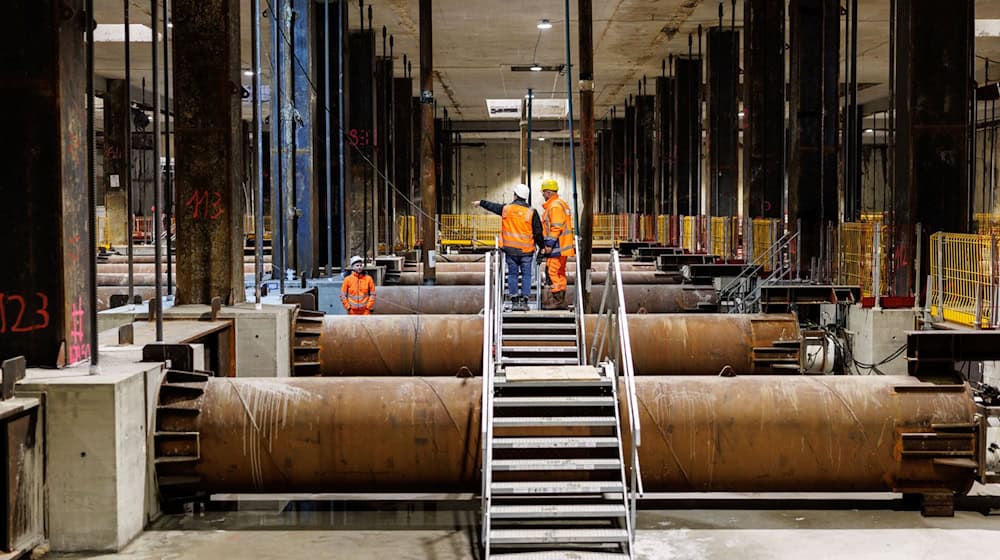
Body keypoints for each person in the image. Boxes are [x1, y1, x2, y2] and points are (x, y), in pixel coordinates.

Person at [471, 184, 543, 311]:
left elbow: (493, 206)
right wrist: (542, 247)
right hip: (526, 251)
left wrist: (480, 202)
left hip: (510, 250)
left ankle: (514, 300)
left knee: (512, 274)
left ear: (515, 195)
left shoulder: (506, 209)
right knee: (526, 275)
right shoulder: (532, 212)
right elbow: (538, 232)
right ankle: (524, 301)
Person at [540, 178, 575, 309]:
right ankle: (560, 300)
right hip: (562, 246)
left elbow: (556, 227)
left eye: (543, 192)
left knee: (552, 272)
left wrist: (549, 244)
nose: (543, 195)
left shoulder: (554, 206)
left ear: (549, 192)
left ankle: (556, 300)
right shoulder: (561, 204)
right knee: (560, 272)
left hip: (557, 246)